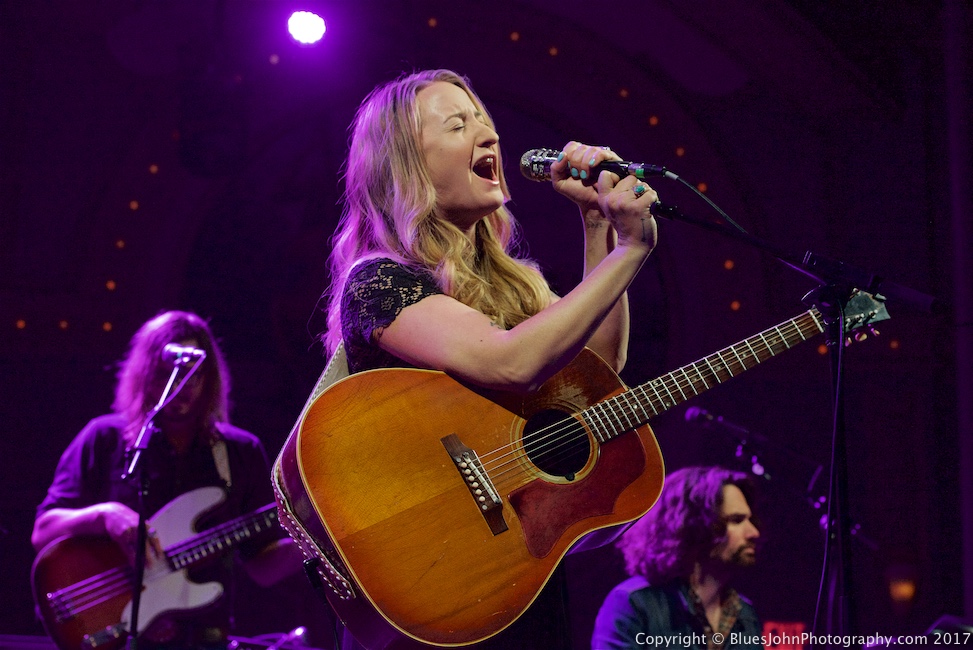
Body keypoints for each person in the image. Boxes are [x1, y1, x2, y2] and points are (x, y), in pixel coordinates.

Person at [319, 68, 660, 649]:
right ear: (407, 164)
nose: (489, 135)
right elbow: (511, 364)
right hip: (430, 583)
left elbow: (600, 368)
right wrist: (632, 250)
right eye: (458, 124)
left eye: (484, 119)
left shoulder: (517, 283)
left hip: (516, 560)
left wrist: (598, 226)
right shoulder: (379, 281)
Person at [32, 310, 301, 650]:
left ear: (210, 379)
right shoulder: (102, 438)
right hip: (120, 636)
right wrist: (104, 515)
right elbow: (44, 531)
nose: (182, 389)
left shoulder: (240, 451)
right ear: (143, 376)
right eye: (166, 375)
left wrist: (311, 545)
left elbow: (262, 567)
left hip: (204, 638)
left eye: (194, 376)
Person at [590, 466, 764, 650]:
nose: (754, 532)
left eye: (750, 521)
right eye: (736, 520)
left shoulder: (745, 614)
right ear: (695, 526)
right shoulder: (634, 603)